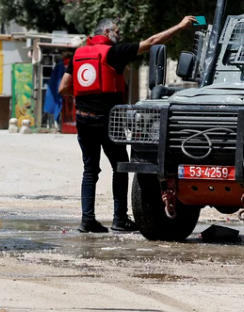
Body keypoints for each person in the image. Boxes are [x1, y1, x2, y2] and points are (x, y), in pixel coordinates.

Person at [59, 16, 196, 233]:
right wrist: (180, 26)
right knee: (120, 166)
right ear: (106, 32)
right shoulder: (114, 53)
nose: (119, 35)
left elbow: (64, 87)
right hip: (107, 121)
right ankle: (119, 219)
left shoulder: (78, 54)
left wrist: (87, 93)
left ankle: (87, 221)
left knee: (89, 170)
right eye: (116, 31)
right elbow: (152, 42)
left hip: (83, 120)